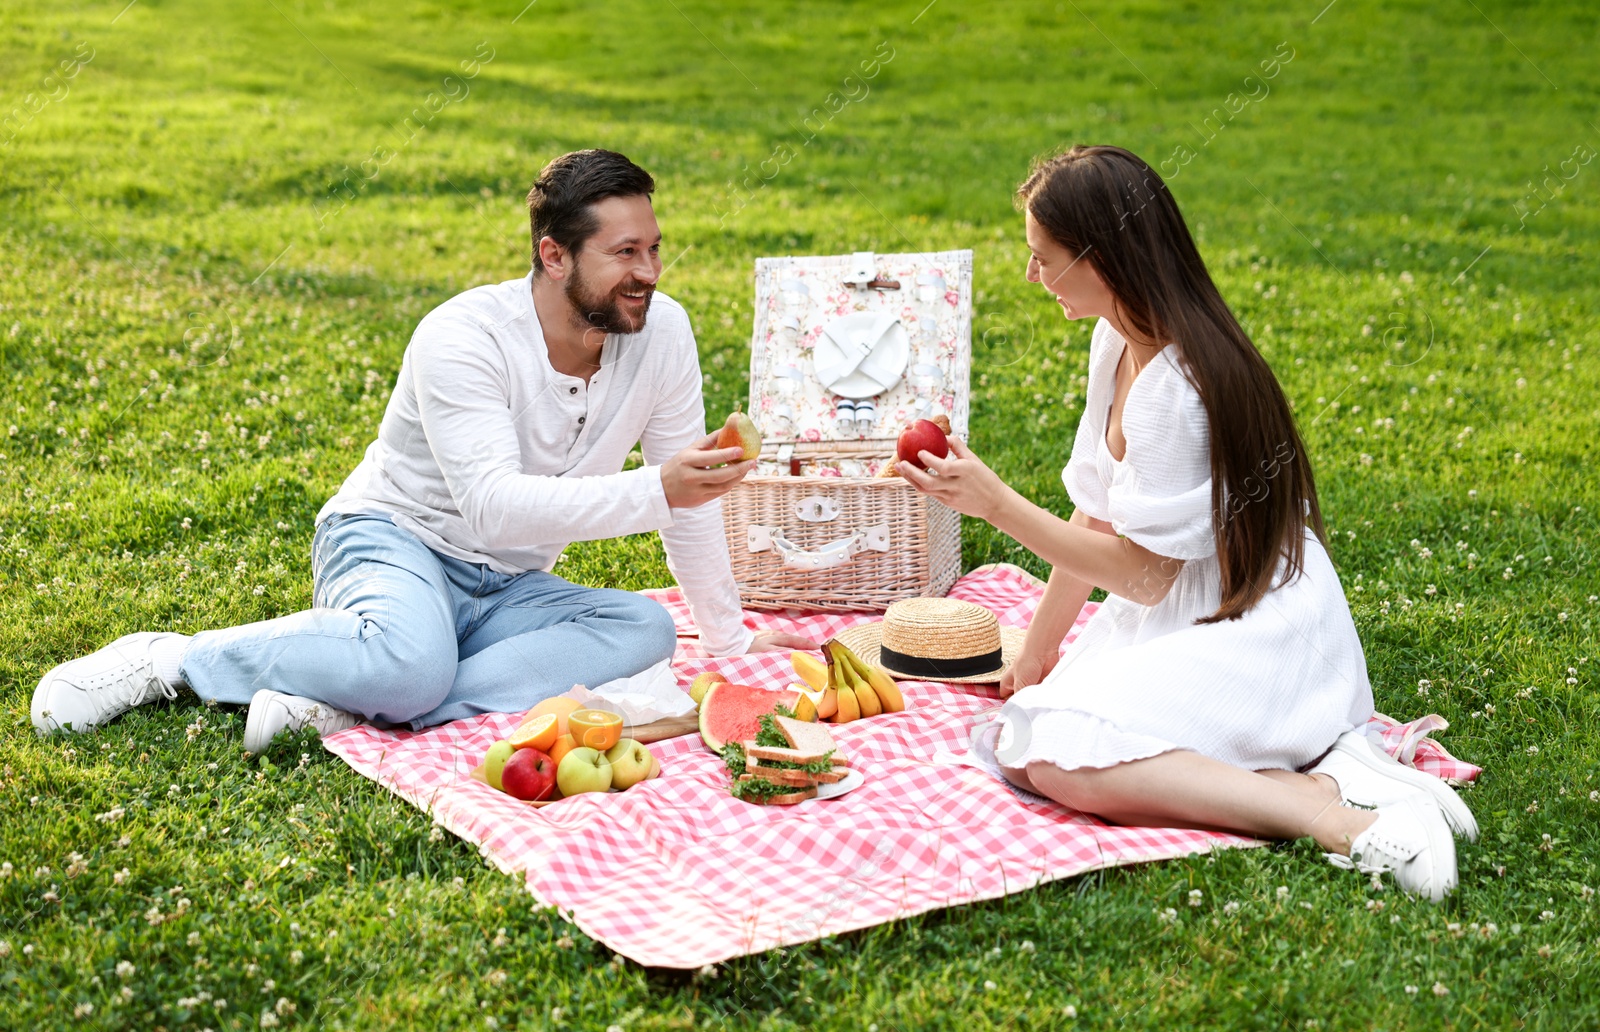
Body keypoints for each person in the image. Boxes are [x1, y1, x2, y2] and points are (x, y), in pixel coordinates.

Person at [33, 149, 811, 752]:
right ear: (554, 256)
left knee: (641, 629)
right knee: (407, 661)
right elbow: (495, 505)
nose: (649, 273)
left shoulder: (662, 332)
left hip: (507, 585)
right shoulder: (462, 337)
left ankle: (346, 700)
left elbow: (689, 502)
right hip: (393, 540)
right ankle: (173, 660)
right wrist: (660, 489)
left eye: (654, 249)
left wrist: (726, 635)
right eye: (625, 253)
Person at [901, 145, 1473, 900]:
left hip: (1256, 629)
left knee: (1054, 755)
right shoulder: (1118, 340)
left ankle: (1324, 813)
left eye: (1045, 258)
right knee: (1033, 732)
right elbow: (1100, 513)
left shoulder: (1174, 388)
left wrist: (997, 505)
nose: (1031, 277)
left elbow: (1142, 574)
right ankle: (1319, 772)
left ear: (1103, 259)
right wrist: (1037, 654)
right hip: (1191, 608)